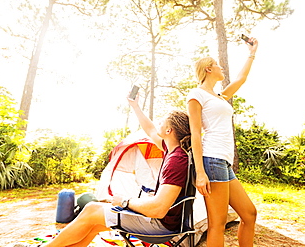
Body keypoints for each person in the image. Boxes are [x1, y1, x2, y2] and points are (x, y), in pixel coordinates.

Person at [43, 93, 191, 247]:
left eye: (161, 122)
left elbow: (158, 209)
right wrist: (136, 107)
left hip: (159, 226)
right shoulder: (172, 150)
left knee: (92, 209)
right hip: (159, 221)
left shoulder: (176, 160)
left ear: (169, 131)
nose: (157, 124)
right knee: (94, 224)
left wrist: (125, 202)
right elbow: (150, 130)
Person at [187, 36, 258, 247]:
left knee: (249, 214)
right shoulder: (196, 95)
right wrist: (200, 172)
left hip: (224, 163)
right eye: (217, 65)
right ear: (208, 69)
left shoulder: (219, 96)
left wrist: (252, 52)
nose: (222, 67)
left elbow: (241, 78)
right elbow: (195, 134)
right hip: (211, 159)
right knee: (217, 224)